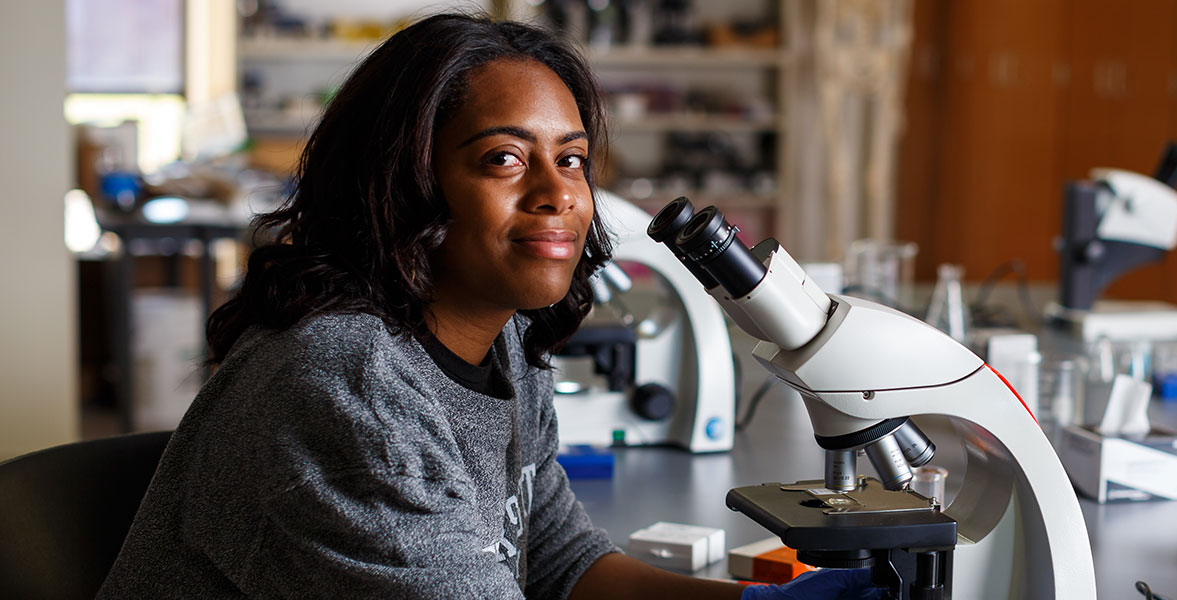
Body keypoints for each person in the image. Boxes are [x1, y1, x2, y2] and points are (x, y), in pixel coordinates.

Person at [97, 14, 882, 600]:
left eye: (570, 159)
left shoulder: (502, 341)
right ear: (403, 181)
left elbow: (560, 562)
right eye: (503, 158)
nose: (558, 195)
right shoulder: (345, 386)